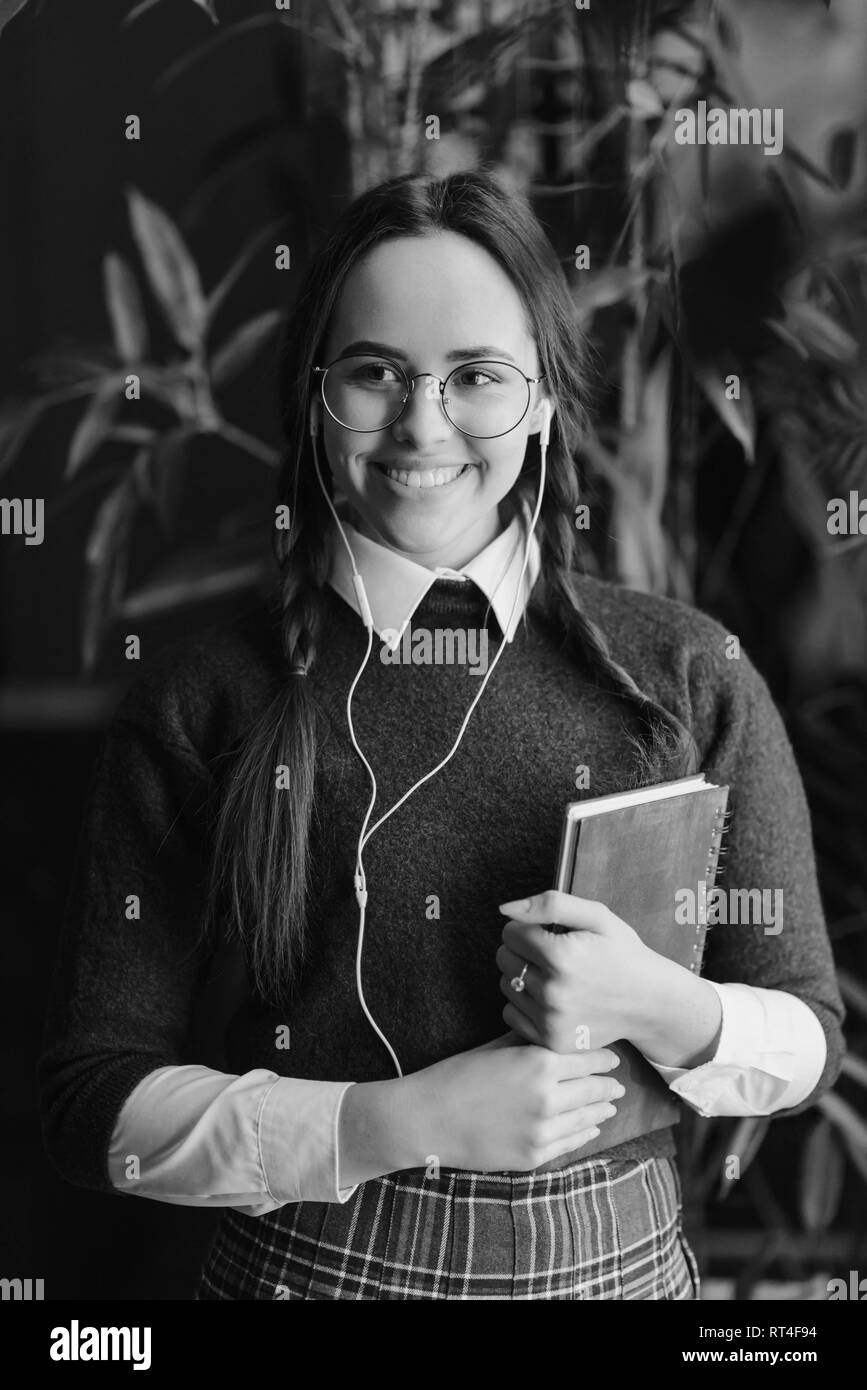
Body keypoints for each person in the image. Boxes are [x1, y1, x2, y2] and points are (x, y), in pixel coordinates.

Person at [39, 169, 844, 1301]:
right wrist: (388, 1121)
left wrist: (657, 1003)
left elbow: (807, 1034)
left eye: (476, 377)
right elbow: (91, 1107)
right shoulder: (203, 698)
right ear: (319, 397)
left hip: (620, 1271)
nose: (423, 422)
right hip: (308, 1272)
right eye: (376, 372)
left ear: (547, 405)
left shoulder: (685, 673)